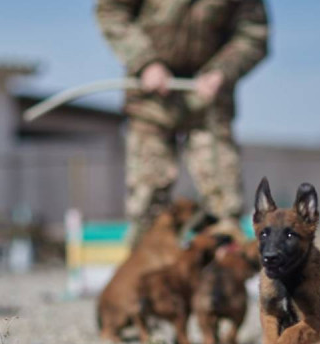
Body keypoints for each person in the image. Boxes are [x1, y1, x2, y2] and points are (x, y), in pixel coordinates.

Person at [95, 0, 269, 245]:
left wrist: (222, 71)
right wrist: (145, 61)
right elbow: (111, 10)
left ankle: (224, 266)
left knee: (224, 202)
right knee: (147, 198)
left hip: (210, 98)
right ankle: (145, 264)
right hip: (151, 96)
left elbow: (253, 34)